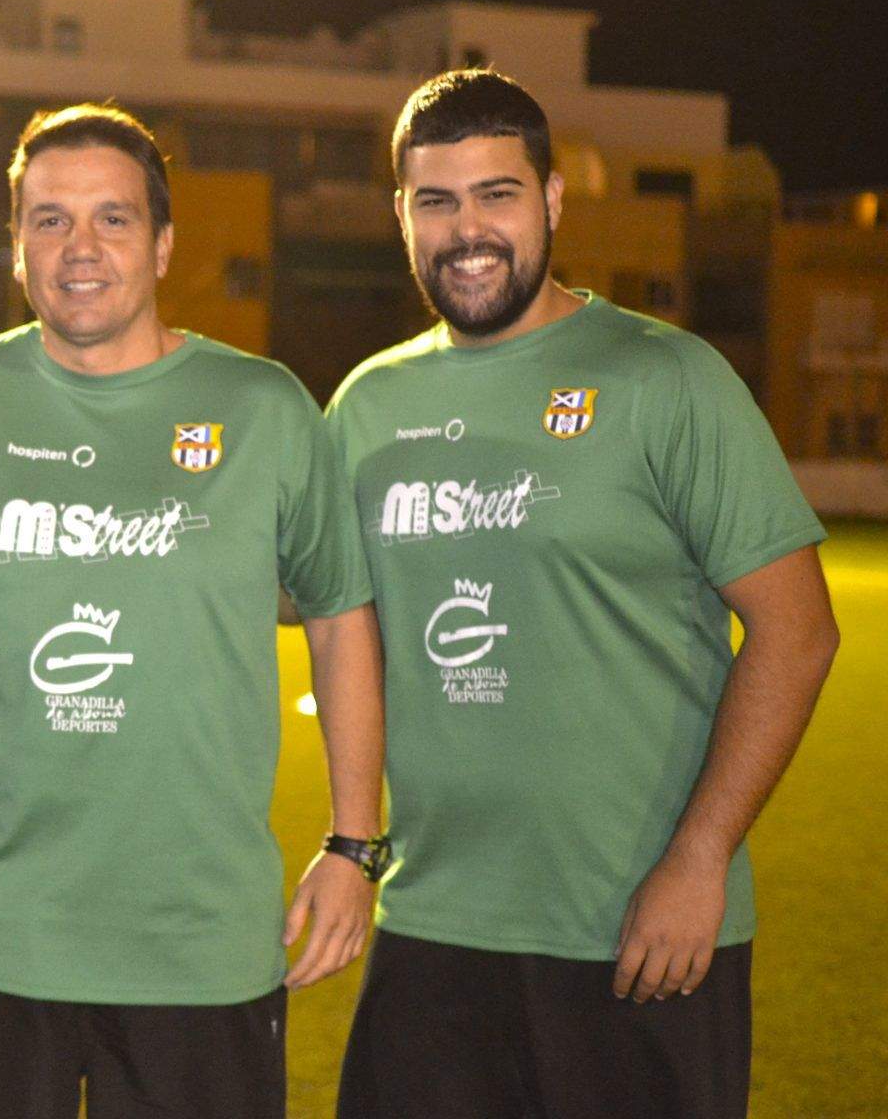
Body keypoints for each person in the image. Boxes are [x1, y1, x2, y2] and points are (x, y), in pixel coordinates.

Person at [326, 69, 840, 1119]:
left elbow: (796, 630)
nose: (466, 230)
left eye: (495, 194)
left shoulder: (663, 376)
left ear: (552, 200)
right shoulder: (368, 404)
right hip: (432, 923)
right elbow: (325, 614)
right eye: (435, 200)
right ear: (401, 216)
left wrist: (697, 859)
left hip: (636, 929)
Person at [0, 104, 386, 1119]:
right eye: (47, 219)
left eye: (110, 219)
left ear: (161, 243)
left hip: (193, 947)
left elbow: (338, 618)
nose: (78, 248)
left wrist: (351, 842)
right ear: (14, 246)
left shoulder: (262, 408)